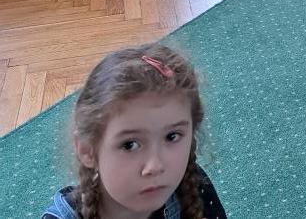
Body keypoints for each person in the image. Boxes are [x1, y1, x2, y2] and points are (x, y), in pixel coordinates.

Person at [42, 43, 227, 219]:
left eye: (172, 136)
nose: (155, 166)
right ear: (87, 150)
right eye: (129, 145)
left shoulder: (191, 186)